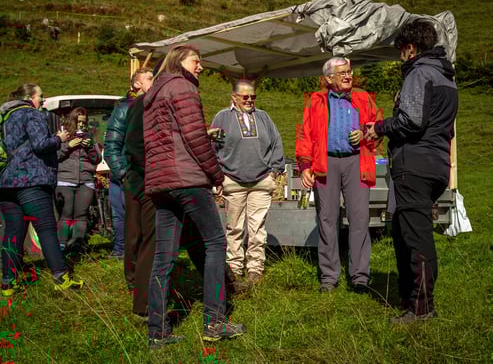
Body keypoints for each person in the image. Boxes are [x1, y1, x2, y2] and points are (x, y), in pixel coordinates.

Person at [143, 45, 246, 349]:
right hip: (186, 178)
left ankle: (157, 332)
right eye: (196, 61)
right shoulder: (183, 87)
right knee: (215, 242)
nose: (200, 67)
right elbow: (195, 137)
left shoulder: (153, 94)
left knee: (164, 257)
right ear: (180, 62)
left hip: (161, 183)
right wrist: (216, 174)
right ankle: (215, 321)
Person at [366, 19, 458, 323]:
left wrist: (380, 127)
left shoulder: (419, 73)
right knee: (405, 232)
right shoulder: (446, 77)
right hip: (436, 163)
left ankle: (421, 308)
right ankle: (409, 299)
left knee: (415, 237)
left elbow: (412, 121)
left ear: (410, 48)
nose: (400, 58)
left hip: (414, 164)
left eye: (401, 52)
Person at [0, 83, 84, 296]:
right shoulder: (31, 114)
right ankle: (61, 277)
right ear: (30, 97)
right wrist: (59, 139)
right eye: (41, 96)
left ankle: (8, 283)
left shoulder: (3, 117)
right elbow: (40, 144)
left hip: (4, 183)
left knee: (13, 231)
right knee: (46, 228)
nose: (43, 99)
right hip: (29, 180)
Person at [296, 57, 378, 294]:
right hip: (326, 163)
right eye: (342, 73)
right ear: (329, 78)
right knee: (327, 219)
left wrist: (364, 134)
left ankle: (360, 276)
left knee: (359, 219)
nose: (348, 76)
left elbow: (379, 127)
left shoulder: (364, 98)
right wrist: (305, 166)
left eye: (349, 71)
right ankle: (329, 277)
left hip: (357, 161)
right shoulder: (316, 100)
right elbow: (305, 135)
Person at [210, 79, 285, 286]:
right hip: (233, 181)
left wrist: (274, 170)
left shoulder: (263, 117)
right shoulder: (222, 117)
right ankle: (234, 268)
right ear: (234, 97)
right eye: (245, 97)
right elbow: (212, 147)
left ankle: (255, 269)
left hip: (261, 181)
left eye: (253, 96)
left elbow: (276, 142)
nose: (250, 100)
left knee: (257, 228)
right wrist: (217, 176)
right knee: (234, 228)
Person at [104, 69, 153, 259]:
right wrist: (124, 174)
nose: (154, 82)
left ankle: (141, 255)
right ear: (137, 84)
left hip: (148, 174)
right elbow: (111, 146)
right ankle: (121, 252)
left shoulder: (154, 107)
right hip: (128, 174)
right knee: (123, 216)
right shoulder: (124, 109)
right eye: (150, 79)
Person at [55, 107, 102, 255]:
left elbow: (97, 159)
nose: (81, 125)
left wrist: (90, 148)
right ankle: (61, 246)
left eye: (84, 122)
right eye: (78, 121)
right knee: (66, 215)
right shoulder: (62, 135)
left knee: (81, 216)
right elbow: (54, 156)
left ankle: (76, 246)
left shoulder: (89, 137)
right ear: (72, 121)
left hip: (86, 181)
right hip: (65, 180)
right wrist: (68, 146)